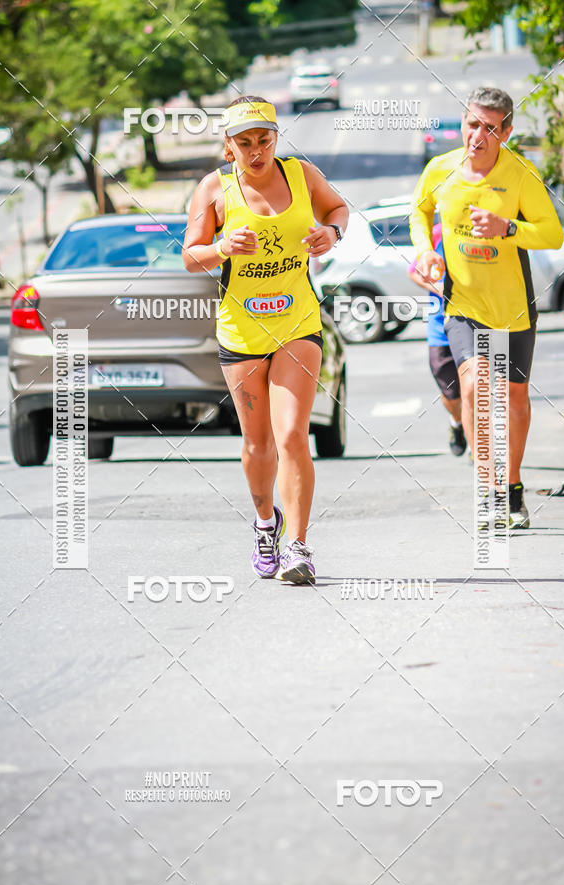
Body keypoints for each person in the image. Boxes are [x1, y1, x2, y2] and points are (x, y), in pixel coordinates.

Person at [182, 96, 348, 583]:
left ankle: (298, 547)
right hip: (242, 330)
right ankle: (264, 522)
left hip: (297, 322)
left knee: (294, 434)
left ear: (277, 137)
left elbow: (338, 208)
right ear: (228, 146)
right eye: (244, 142)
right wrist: (220, 246)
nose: (257, 151)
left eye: (265, 139)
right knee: (258, 444)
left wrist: (331, 233)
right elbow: (190, 257)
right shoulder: (214, 189)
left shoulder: (301, 174)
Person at [409, 87, 564, 528]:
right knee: (476, 386)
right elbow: (418, 211)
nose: (478, 135)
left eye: (490, 128)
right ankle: (489, 489)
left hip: (514, 307)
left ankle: (512, 487)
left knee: (514, 396)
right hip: (462, 303)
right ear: (463, 122)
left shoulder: (521, 175)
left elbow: (552, 234)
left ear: (506, 131)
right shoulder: (440, 169)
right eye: (472, 123)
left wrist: (506, 227)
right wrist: (425, 252)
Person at [407, 222, 467, 456]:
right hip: (439, 328)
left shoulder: (478, 228)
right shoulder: (437, 233)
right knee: (451, 394)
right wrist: (438, 287)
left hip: (473, 323)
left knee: (475, 387)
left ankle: (477, 444)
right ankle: (457, 423)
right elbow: (413, 271)